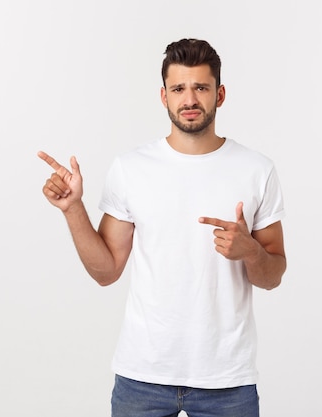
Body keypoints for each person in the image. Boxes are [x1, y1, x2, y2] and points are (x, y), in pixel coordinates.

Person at [38, 38, 286, 417]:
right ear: (163, 96)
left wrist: (250, 250)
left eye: (201, 87)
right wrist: (73, 209)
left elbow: (272, 276)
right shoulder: (131, 168)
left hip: (227, 380)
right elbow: (106, 272)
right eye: (179, 89)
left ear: (219, 95)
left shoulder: (256, 170)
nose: (189, 99)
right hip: (143, 375)